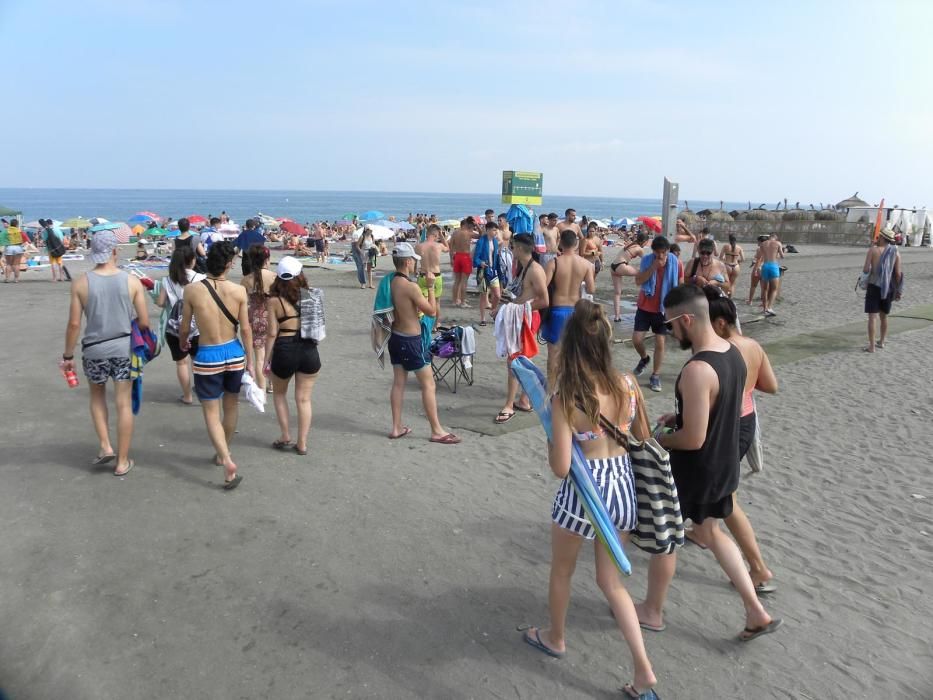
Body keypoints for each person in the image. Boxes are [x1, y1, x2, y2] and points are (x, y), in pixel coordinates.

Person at [523, 300, 659, 700]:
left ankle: (556, 637)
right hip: (623, 485)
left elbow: (562, 467)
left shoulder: (569, 396)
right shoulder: (629, 385)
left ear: (572, 344)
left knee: (562, 571)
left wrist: (552, 439)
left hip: (584, 492)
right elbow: (642, 437)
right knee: (611, 581)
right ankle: (643, 667)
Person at [636, 284, 781, 642]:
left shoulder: (697, 369)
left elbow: (694, 439)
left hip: (696, 469)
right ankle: (756, 610)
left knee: (667, 538)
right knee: (713, 533)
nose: (670, 332)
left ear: (687, 319)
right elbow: (717, 409)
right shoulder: (732, 352)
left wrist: (659, 440)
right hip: (724, 463)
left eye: (671, 324)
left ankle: (652, 611)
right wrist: (681, 414)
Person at [703, 285, 778, 592]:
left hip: (725, 427)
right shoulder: (753, 346)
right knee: (716, 493)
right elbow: (771, 386)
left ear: (720, 323)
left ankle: (759, 568)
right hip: (746, 421)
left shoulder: (722, 351)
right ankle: (702, 529)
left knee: (727, 498)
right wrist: (747, 384)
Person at [61, 230, 149, 476]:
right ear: (114, 251)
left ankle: (105, 445)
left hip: (94, 350)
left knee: (97, 397)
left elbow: (75, 324)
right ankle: (122, 461)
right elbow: (143, 321)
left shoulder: (81, 282)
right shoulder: (131, 281)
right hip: (123, 348)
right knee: (123, 403)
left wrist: (68, 356)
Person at [179, 241, 253, 490]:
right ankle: (223, 452)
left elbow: (185, 326)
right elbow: (245, 329)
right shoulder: (239, 291)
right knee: (230, 406)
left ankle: (227, 460)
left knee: (211, 412)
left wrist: (182, 344)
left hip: (208, 355)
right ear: (229, 264)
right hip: (234, 352)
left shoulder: (192, 290)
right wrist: (251, 361)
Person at [385, 243, 460, 444]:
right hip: (411, 340)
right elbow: (431, 312)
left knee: (399, 383)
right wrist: (429, 288)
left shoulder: (390, 283)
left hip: (395, 337)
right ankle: (436, 430)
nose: (414, 265)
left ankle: (396, 427)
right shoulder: (411, 286)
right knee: (428, 385)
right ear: (408, 261)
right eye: (413, 262)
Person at [263, 257, 321, 455]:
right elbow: (317, 327)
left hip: (285, 348)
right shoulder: (311, 295)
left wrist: (265, 360)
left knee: (279, 394)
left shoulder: (273, 301)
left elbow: (272, 333)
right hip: (308, 349)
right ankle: (302, 443)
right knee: (304, 400)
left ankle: (286, 434)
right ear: (300, 275)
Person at [494, 234, 548, 423]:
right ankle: (525, 400)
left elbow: (544, 300)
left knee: (514, 363)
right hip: (520, 317)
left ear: (519, 248)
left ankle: (510, 405)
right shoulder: (523, 268)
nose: (511, 249)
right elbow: (520, 293)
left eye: (513, 246)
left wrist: (517, 309)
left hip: (526, 318)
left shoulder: (535, 270)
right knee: (519, 361)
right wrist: (505, 305)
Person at [631, 236, 684, 393]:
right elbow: (638, 281)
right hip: (645, 306)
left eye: (663, 252)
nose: (660, 256)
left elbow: (680, 283)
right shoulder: (647, 261)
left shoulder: (676, 263)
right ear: (653, 251)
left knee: (660, 343)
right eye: (657, 252)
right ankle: (644, 358)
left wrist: (678, 305)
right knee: (637, 339)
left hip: (663, 309)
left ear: (668, 250)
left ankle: (655, 375)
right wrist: (654, 267)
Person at [542, 229, 594, 383]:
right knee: (574, 352)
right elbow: (591, 289)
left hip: (557, 310)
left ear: (560, 243)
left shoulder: (554, 263)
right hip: (576, 311)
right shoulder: (585, 264)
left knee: (553, 354)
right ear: (576, 244)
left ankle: (551, 388)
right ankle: (571, 386)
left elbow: (543, 286)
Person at [157, 245, 206, 405]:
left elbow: (160, 302)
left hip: (175, 327)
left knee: (181, 362)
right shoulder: (200, 278)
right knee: (197, 360)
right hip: (197, 326)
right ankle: (202, 392)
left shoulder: (167, 280)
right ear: (192, 260)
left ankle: (187, 396)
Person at [241, 243, 276, 392]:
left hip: (254, 318)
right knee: (273, 352)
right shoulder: (274, 276)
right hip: (272, 317)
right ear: (266, 259)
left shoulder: (246, 279)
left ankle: (261, 391)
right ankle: (271, 384)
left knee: (259, 356)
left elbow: (244, 301)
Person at [862, 227, 903, 352]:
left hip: (874, 286)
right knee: (884, 317)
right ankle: (882, 342)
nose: (877, 238)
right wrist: (898, 290)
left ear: (882, 238)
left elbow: (865, 269)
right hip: (888, 288)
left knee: (872, 317)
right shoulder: (895, 252)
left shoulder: (873, 250)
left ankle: (872, 346)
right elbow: (898, 274)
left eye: (879, 236)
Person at [415, 224, 447, 324]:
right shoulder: (439, 245)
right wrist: (442, 236)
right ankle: (436, 324)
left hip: (423, 275)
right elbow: (448, 248)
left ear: (427, 234)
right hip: (436, 276)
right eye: (438, 235)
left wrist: (416, 269)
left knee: (421, 301)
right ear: (435, 235)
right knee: (436, 301)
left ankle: (421, 322)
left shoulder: (419, 246)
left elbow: (415, 260)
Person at [473, 222, 501, 326]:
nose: (495, 232)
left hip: (493, 271)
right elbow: (476, 257)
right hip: (482, 271)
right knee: (483, 295)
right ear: (488, 230)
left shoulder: (495, 241)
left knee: (498, 295)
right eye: (494, 230)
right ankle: (482, 318)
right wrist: (481, 263)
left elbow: (496, 257)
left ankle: (493, 312)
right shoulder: (481, 241)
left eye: (496, 230)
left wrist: (499, 269)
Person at [756, 233, 784, 316]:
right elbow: (782, 256)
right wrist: (782, 251)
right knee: (774, 289)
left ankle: (764, 308)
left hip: (765, 266)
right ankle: (769, 308)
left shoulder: (763, 244)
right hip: (773, 266)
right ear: (775, 238)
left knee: (764, 289)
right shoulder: (778, 243)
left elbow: (761, 255)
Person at [449, 217, 475, 308]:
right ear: (465, 224)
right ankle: (463, 302)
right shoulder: (468, 233)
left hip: (457, 256)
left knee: (457, 281)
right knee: (464, 281)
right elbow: (482, 235)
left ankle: (454, 300)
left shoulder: (455, 233)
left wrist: (451, 258)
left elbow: (451, 246)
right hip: (465, 256)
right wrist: (478, 226)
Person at [2, 218, 24, 283]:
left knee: (8, 264)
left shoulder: (6, 231)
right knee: (16, 264)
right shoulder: (19, 230)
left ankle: (7, 279)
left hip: (9, 247)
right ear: (17, 224)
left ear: (10, 224)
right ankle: (16, 279)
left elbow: (1, 238)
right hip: (18, 247)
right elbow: (26, 239)